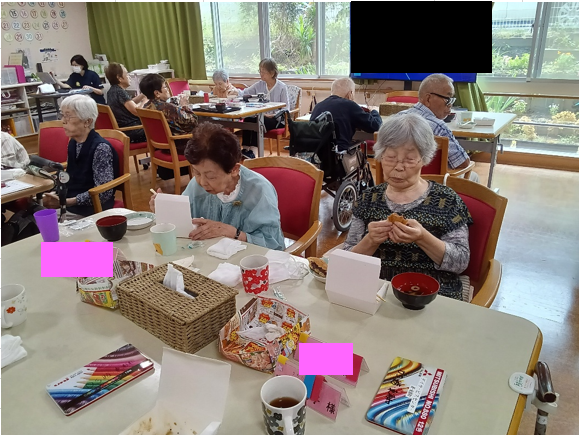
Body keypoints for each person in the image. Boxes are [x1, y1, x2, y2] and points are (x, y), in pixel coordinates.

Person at [343, 113, 472, 301]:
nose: (398, 167)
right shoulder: (368, 199)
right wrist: (370, 240)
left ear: (424, 159)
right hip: (375, 292)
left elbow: (460, 262)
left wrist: (422, 238)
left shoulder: (447, 200)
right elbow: (347, 260)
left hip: (432, 296)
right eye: (390, 157)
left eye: (410, 159)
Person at [149, 123, 285, 250]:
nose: (202, 182)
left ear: (234, 169)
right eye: (196, 172)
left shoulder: (259, 191)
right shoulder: (196, 185)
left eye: (211, 176)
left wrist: (234, 233)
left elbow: (274, 245)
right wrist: (166, 210)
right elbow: (185, 221)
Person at [42, 95, 118, 218]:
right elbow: (71, 175)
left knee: (39, 224)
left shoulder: (100, 148)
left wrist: (67, 202)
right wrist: (53, 192)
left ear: (87, 122)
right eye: (62, 115)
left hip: (91, 208)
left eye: (68, 116)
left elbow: (103, 192)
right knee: (32, 214)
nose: (63, 121)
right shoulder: (73, 142)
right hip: (70, 203)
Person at [399, 73, 479, 182]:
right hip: (431, 188)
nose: (450, 105)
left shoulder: (394, 119)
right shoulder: (438, 127)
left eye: (452, 99)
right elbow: (463, 163)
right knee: (474, 176)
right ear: (428, 99)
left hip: (395, 183)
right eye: (447, 99)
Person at [310, 77, 382, 151]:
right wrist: (374, 111)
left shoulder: (318, 106)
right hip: (339, 153)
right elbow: (375, 126)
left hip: (315, 153)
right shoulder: (349, 105)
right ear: (350, 94)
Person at [241, 58, 290, 158]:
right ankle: (245, 149)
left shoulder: (282, 87)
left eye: (263, 72)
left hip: (277, 120)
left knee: (257, 121)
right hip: (262, 117)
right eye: (260, 71)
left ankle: (253, 151)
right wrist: (234, 90)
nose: (261, 74)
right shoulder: (259, 84)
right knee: (248, 119)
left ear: (272, 73)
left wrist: (272, 115)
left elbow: (286, 109)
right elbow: (245, 92)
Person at [139, 73, 198, 155]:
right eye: (165, 87)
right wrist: (184, 106)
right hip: (180, 146)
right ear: (157, 93)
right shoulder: (168, 108)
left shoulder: (146, 107)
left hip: (160, 147)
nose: (167, 89)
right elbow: (193, 122)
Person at [105, 62, 148, 143]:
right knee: (159, 128)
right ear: (119, 78)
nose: (129, 77)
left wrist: (143, 95)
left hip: (124, 131)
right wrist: (145, 100)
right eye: (127, 74)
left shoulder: (112, 91)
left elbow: (129, 102)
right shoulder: (120, 92)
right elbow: (138, 112)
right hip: (132, 131)